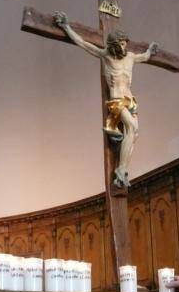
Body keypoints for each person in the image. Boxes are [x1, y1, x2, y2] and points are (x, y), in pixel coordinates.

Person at [53, 11, 158, 188]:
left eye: (125, 43)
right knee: (132, 127)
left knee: (134, 134)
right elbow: (82, 43)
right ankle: (120, 170)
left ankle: (122, 170)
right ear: (114, 44)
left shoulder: (131, 57)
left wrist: (150, 50)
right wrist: (66, 26)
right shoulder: (106, 56)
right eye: (121, 43)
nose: (124, 47)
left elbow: (146, 56)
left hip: (129, 99)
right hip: (116, 99)